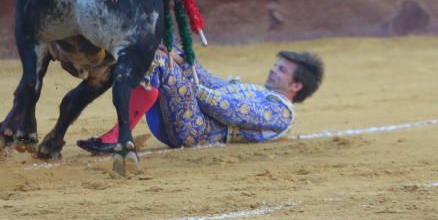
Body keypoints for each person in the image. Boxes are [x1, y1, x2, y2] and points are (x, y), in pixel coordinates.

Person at [77, 47, 324, 152]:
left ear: (296, 85)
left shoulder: (282, 113)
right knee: (165, 49)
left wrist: (189, 83)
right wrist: (186, 58)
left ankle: (121, 133)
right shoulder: (261, 92)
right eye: (276, 65)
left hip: (197, 131)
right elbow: (215, 84)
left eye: (281, 70)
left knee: (163, 64)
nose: (273, 70)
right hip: (194, 117)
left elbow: (230, 111)